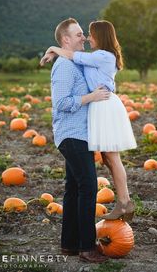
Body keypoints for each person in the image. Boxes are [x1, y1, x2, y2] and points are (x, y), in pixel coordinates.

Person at [41, 20, 137, 222]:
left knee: (112, 157)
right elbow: (73, 59)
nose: (87, 38)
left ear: (100, 36)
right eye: (83, 35)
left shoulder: (103, 56)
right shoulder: (94, 57)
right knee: (107, 157)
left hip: (104, 104)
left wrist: (52, 48)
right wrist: (56, 52)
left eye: (90, 34)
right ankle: (123, 201)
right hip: (99, 106)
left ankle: (125, 202)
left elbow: (73, 55)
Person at [41, 18, 109, 263]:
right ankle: (86, 247)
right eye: (78, 34)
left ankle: (69, 245)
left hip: (80, 135)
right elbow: (60, 103)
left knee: (73, 189)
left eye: (83, 34)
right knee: (89, 187)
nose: (83, 38)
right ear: (66, 40)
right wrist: (91, 97)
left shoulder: (74, 62)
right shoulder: (64, 67)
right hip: (72, 135)